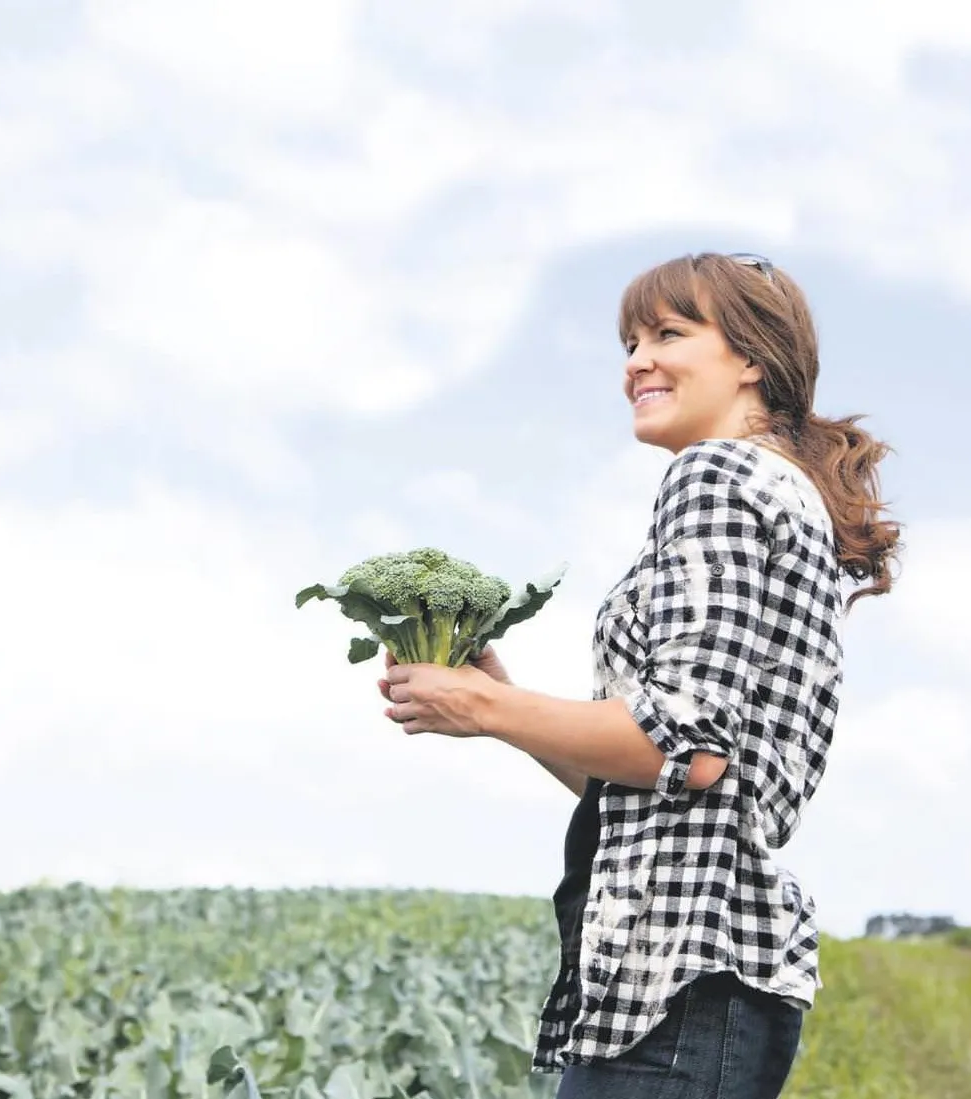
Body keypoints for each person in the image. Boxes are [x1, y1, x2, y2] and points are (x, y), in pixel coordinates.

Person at [377, 252, 902, 1098]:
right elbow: (656, 779)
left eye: (667, 334)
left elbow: (686, 748)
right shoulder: (780, 488)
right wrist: (501, 704)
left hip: (678, 980)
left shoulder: (714, 475)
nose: (636, 362)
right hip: (698, 982)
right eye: (629, 343)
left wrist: (480, 705)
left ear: (750, 357)